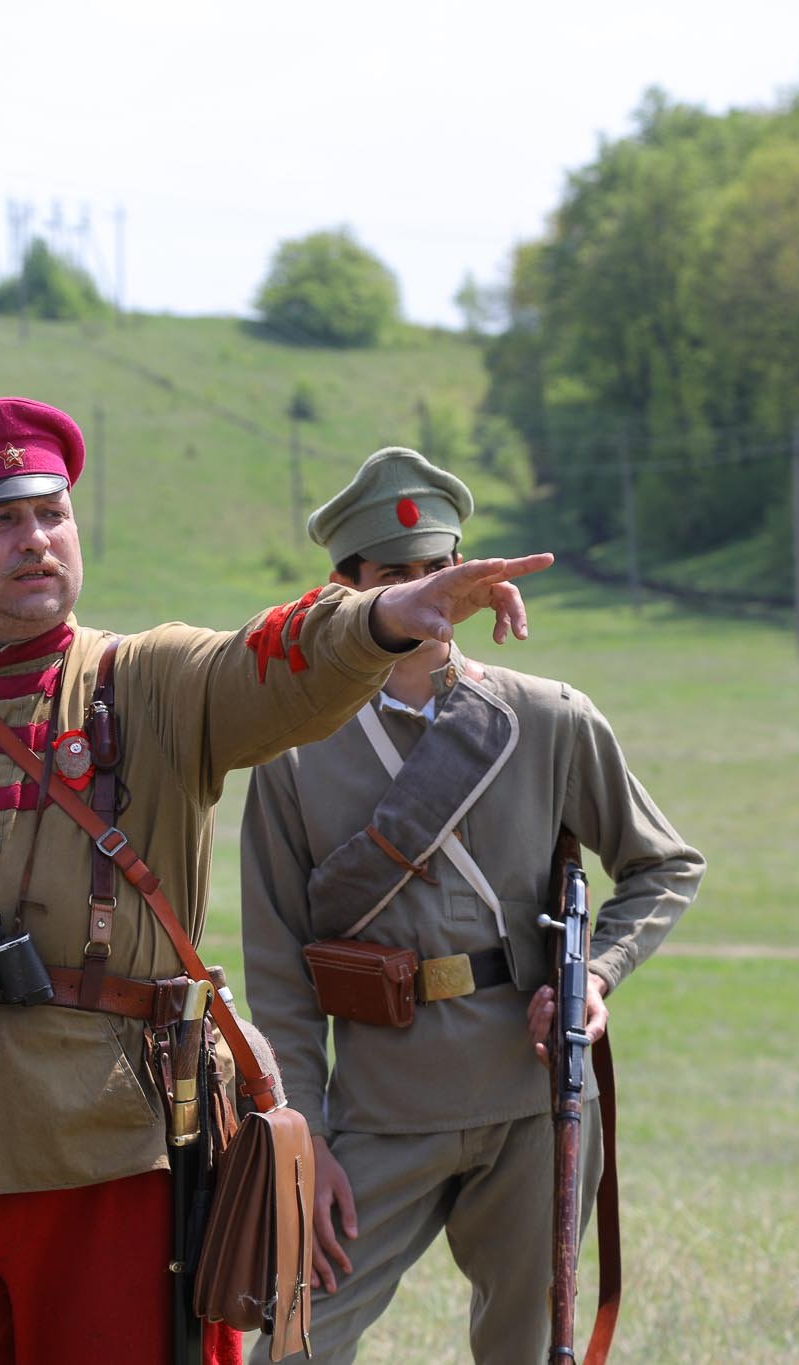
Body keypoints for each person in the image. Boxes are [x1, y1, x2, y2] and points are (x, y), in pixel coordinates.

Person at [0, 398, 552, 1363]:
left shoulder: (152, 681)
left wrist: (381, 617)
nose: (35, 540)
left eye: (51, 514)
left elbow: (274, 664)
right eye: (1, 520)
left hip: (113, 1154)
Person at [237, 447, 704, 1362]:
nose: (428, 592)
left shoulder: (551, 717)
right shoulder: (295, 752)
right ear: (350, 589)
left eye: (440, 569)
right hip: (377, 1110)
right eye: (398, 575)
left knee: (523, 1348)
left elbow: (663, 864)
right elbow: (279, 973)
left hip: (532, 1098)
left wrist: (599, 973)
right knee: (293, 1346)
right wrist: (308, 1139)